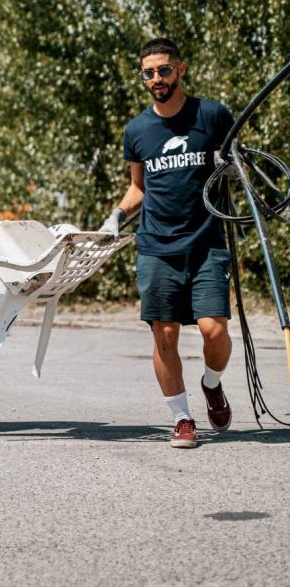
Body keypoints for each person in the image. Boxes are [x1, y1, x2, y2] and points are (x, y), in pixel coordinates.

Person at [99, 38, 235, 448]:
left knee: (214, 330)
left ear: (181, 69)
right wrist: (115, 218)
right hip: (156, 245)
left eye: (164, 70)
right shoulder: (138, 130)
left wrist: (228, 166)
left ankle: (212, 384)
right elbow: (138, 188)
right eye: (149, 72)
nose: (156, 78)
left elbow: (235, 167)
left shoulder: (211, 115)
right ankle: (182, 418)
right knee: (165, 335)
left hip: (206, 241)